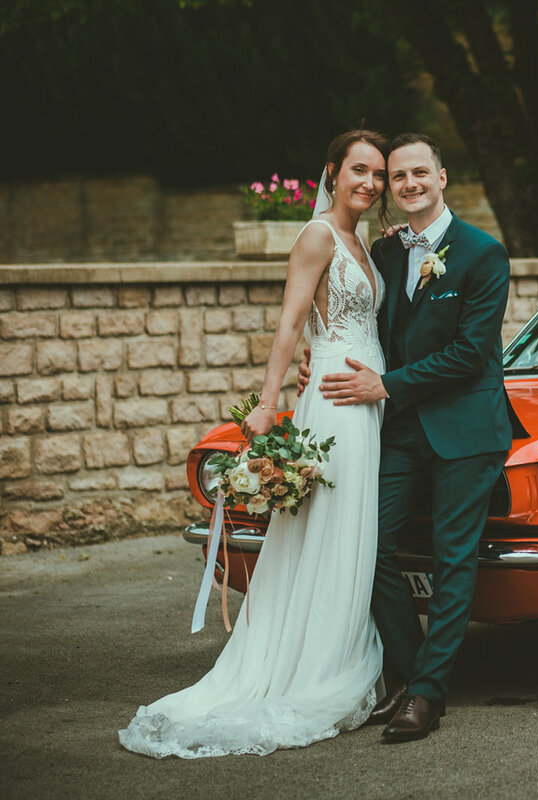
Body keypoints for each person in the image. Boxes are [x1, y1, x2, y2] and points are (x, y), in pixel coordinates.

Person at [118, 130, 390, 758]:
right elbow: (292, 320)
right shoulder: (318, 235)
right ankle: (312, 666)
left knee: (348, 536)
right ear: (331, 172)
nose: (370, 184)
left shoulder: (365, 241)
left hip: (367, 401)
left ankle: (334, 646)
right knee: (327, 531)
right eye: (359, 171)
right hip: (336, 404)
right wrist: (269, 403)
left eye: (377, 174)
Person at [313, 132, 514, 742]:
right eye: (397, 177)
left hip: (465, 427)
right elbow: (370, 335)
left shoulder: (483, 254)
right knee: (367, 544)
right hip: (399, 428)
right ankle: (407, 671)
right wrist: (318, 364)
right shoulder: (387, 252)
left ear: (443, 177)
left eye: (418, 173)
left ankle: (428, 695)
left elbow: (470, 354)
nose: (408, 185)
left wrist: (387, 386)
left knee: (454, 561)